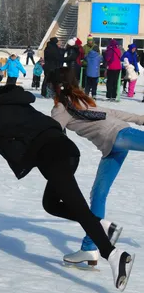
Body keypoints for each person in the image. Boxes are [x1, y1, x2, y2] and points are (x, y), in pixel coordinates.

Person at [0, 82, 135, 291]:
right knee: (51, 204)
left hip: (53, 158)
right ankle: (102, 225)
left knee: (78, 207)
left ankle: (114, 255)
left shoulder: (0, 114)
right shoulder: (24, 106)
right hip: (68, 152)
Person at [48, 66, 143, 270]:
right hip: (113, 146)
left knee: (98, 195)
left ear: (55, 87)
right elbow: (111, 112)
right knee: (98, 194)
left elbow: (51, 134)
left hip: (119, 136)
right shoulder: (80, 102)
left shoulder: (62, 108)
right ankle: (90, 247)